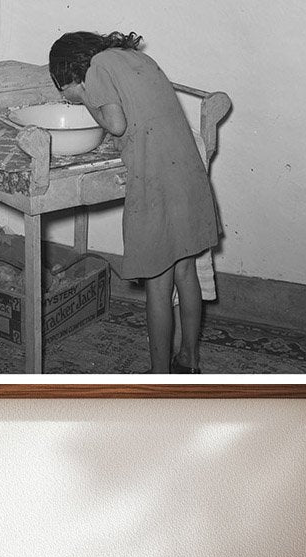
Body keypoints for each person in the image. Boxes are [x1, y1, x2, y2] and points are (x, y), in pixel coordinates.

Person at [49, 30, 220, 374]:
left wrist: (83, 95)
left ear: (68, 71)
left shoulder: (96, 69)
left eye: (62, 87)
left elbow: (115, 123)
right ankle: (189, 357)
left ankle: (159, 377)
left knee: (159, 282)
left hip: (156, 180)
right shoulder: (133, 57)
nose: (65, 95)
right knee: (185, 271)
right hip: (187, 171)